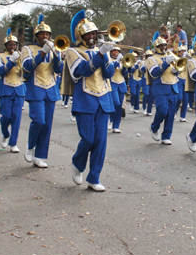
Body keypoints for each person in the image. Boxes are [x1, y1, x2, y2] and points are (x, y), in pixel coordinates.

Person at [63, 10, 115, 191]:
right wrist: (100, 54)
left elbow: (109, 74)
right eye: (89, 34)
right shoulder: (72, 51)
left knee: (100, 140)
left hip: (103, 98)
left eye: (94, 33)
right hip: (85, 99)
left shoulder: (100, 50)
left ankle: (94, 177)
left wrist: (107, 56)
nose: (92, 36)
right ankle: (77, 164)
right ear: (80, 36)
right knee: (88, 139)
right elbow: (83, 70)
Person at [22, 16, 62, 167]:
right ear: (36, 36)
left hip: (51, 88)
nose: (45, 36)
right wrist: (42, 53)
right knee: (38, 120)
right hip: (36, 87)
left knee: (47, 125)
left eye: (47, 34)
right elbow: (27, 67)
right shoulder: (28, 49)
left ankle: (40, 156)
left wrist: (58, 58)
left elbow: (59, 70)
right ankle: (31, 145)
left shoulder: (54, 48)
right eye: (42, 34)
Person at [147, 34, 181, 145]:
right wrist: (166, 63)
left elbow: (178, 68)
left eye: (165, 46)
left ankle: (166, 135)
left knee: (171, 114)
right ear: (156, 47)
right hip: (160, 88)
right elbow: (154, 73)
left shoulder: (170, 55)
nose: (164, 48)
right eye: (161, 46)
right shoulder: (151, 59)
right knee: (162, 110)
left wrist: (177, 70)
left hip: (173, 86)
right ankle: (154, 127)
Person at [0, 30, 26, 153]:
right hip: (6, 89)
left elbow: (26, 71)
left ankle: (14, 143)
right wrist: (11, 61)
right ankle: (5, 134)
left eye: (14, 45)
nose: (12, 47)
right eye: (10, 45)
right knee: (5, 116)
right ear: (5, 46)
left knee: (16, 118)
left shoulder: (21, 55)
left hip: (19, 88)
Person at [106, 46, 127, 133]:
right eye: (114, 50)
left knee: (119, 106)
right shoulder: (108, 59)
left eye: (117, 50)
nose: (116, 52)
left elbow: (125, 73)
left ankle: (116, 125)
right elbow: (109, 70)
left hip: (121, 84)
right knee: (115, 103)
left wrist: (125, 65)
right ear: (111, 51)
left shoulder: (122, 60)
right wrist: (117, 62)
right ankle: (110, 119)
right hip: (112, 83)